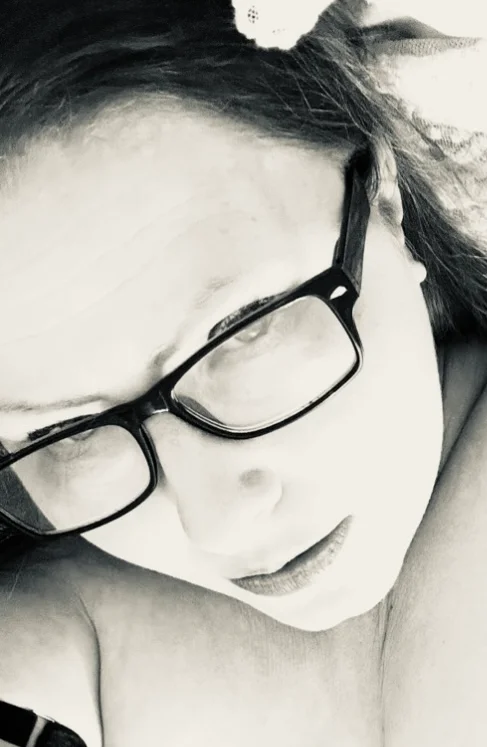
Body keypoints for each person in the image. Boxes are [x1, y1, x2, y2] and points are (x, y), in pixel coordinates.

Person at [1, 0, 487, 744]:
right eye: (67, 432)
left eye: (243, 330)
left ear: (383, 197)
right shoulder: (59, 641)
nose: (219, 524)